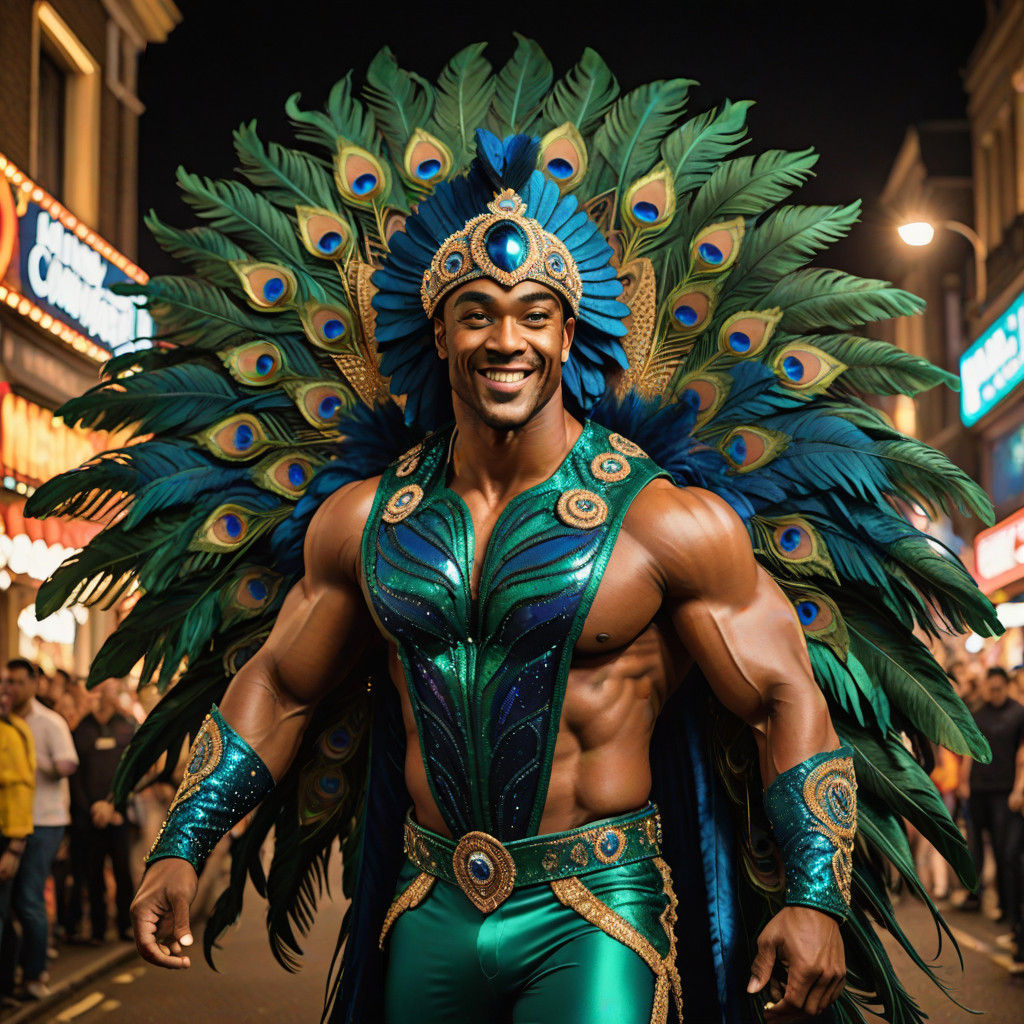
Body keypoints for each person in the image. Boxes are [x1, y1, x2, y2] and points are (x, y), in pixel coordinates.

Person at [26, 42, 997, 1024]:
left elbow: (782, 693)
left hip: (595, 910)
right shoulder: (365, 520)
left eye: (534, 315)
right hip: (429, 899)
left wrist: (815, 894)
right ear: (435, 332)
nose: (506, 340)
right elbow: (282, 684)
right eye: (477, 314)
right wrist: (183, 842)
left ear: (569, 334)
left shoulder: (662, 521)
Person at [2, 658, 78, 999]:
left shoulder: (50, 723)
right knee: (9, 903)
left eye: (18, 682)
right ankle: (12, 974)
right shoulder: (6, 722)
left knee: (30, 897)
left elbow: (68, 763)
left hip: (44, 821)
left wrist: (32, 760)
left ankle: (35, 975)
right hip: (10, 823)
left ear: (34, 683)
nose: (11, 688)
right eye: (8, 682)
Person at [962, 666, 1024, 953]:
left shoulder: (1018, 713)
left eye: (999, 688)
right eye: (991, 688)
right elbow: (969, 750)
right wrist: (964, 781)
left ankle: (1010, 914)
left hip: (1005, 793)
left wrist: (1018, 789)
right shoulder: (977, 713)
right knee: (976, 846)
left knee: (1006, 852)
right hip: (979, 790)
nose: (994, 692)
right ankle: (981, 897)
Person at [71, 680, 137, 943]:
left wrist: (115, 805)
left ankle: (125, 926)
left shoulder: (126, 725)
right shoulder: (82, 729)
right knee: (93, 873)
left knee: (123, 871)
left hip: (117, 814)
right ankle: (98, 929)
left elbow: (133, 770)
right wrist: (89, 810)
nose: (104, 696)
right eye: (99, 690)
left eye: (109, 691)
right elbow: (74, 776)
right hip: (90, 818)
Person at [0, 672, 35, 989]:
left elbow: (20, 791)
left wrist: (14, 846)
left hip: (5, 837)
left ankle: (7, 986)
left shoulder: (12, 732)